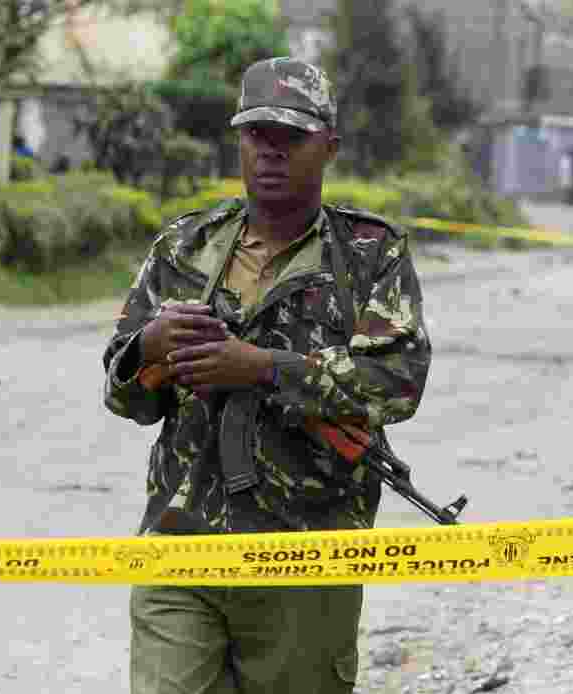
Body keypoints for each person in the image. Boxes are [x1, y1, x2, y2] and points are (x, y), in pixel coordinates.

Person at [101, 57, 432, 694]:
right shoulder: (185, 247)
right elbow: (127, 400)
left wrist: (261, 370)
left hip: (306, 557)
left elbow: (398, 380)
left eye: (291, 137)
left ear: (329, 146)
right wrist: (149, 347)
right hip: (182, 544)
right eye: (257, 135)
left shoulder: (369, 253)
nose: (271, 152)